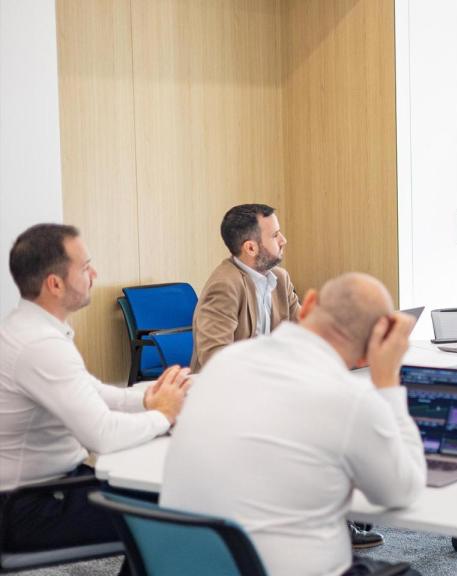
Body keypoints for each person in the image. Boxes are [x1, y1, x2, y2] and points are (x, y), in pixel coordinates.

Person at [161, 272, 425, 576]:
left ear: (308, 303)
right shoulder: (351, 400)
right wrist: (388, 382)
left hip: (186, 567)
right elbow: (401, 491)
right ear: (369, 354)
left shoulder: (225, 362)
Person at [0, 223, 190, 555]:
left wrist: (148, 398)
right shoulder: (39, 345)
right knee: (176, 513)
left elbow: (97, 394)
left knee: (164, 501)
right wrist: (164, 414)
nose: (95, 274)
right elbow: (101, 435)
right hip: (29, 508)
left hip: (49, 489)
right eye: (86, 267)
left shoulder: (31, 329)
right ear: (55, 284)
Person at [191, 203, 301, 372]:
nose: (283, 240)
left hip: (269, 383)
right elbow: (215, 357)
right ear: (251, 248)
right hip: (228, 390)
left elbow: (306, 331)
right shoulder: (225, 285)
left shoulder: (280, 279)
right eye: (275, 235)